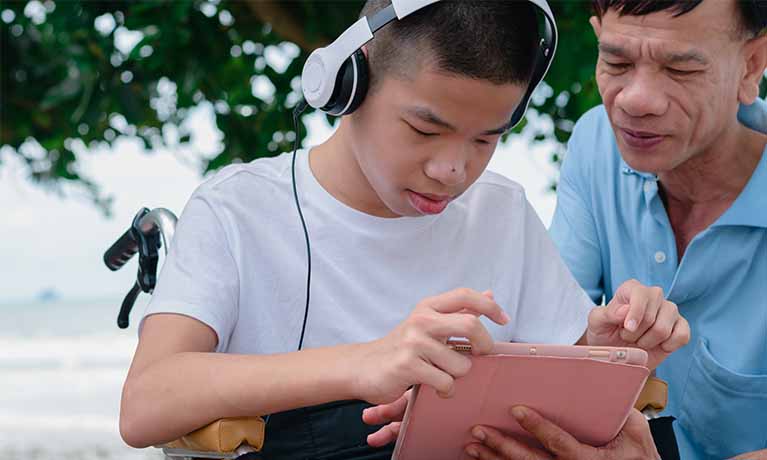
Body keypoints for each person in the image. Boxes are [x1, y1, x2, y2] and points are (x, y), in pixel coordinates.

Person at [118, 2, 689, 459]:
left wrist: (606, 353)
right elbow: (146, 403)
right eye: (424, 129)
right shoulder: (237, 210)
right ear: (349, 86)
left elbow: (558, 395)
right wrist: (367, 362)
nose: (453, 169)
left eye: (485, 139)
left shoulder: (501, 211)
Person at [542, 0, 766, 459]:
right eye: (617, 61)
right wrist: (590, 346)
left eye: (680, 69)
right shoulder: (596, 144)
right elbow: (547, 341)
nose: (635, 100)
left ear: (752, 66)